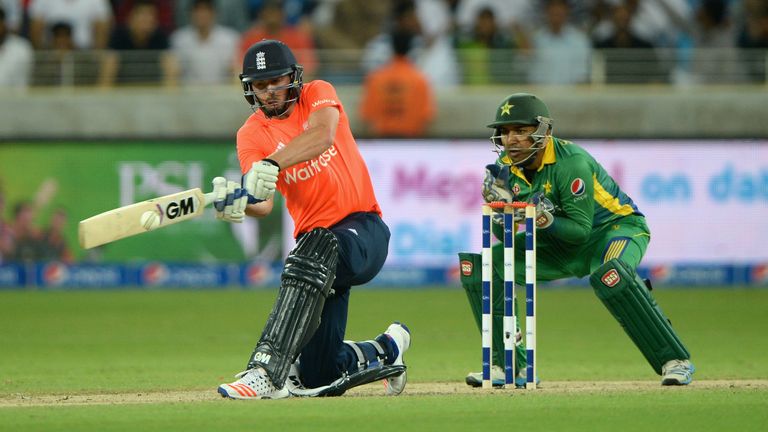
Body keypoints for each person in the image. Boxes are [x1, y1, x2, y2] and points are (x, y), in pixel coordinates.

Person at [213, 39, 411, 399]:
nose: (270, 92)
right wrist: (236, 204)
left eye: (277, 81)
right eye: (260, 85)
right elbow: (263, 203)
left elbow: (322, 135)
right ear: (249, 89)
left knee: (315, 245)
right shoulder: (250, 134)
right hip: (315, 259)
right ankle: (385, 348)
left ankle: (266, 369)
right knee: (319, 375)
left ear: (293, 77)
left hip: (362, 231)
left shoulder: (318, 93)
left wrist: (271, 164)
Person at [459, 93, 694, 387]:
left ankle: (674, 360)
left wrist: (540, 218)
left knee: (612, 274)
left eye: (521, 131)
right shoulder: (505, 168)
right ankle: (507, 366)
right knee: (489, 264)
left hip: (613, 230)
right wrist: (501, 214)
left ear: (543, 132)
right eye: (506, 132)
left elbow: (581, 230)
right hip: (556, 242)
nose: (511, 140)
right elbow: (504, 237)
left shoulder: (572, 164)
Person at [359, 30, 435, 138]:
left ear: (391, 48)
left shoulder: (376, 78)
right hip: (410, 141)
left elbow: (367, 116)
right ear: (411, 49)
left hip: (382, 142)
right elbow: (426, 118)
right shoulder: (420, 80)